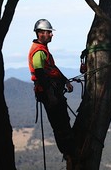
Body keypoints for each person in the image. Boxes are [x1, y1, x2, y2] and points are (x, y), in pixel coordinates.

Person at [28, 19, 75, 160]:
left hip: (52, 92)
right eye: (49, 32)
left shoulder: (43, 50)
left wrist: (65, 81)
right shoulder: (38, 52)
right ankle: (68, 152)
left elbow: (52, 69)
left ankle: (70, 149)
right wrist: (51, 95)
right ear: (41, 34)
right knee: (59, 123)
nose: (51, 35)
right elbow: (40, 73)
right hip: (49, 94)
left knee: (63, 120)